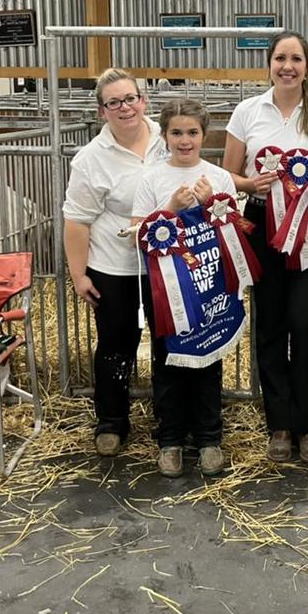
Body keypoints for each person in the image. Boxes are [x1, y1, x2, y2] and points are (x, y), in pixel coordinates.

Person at [222, 31, 308, 463]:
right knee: (271, 322)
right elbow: (228, 174)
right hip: (261, 222)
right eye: (280, 58)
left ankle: (306, 424)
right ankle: (278, 424)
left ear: (307, 66)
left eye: (295, 59)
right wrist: (249, 183)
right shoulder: (247, 112)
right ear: (269, 64)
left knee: (304, 321)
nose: (287, 66)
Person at [131, 100, 239, 478]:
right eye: (176, 132)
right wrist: (171, 208)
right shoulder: (151, 178)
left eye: (192, 132)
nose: (184, 140)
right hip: (165, 291)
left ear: (204, 135)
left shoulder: (219, 177)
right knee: (168, 360)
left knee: (209, 358)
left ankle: (209, 438)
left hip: (208, 284)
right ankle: (170, 440)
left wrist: (212, 205)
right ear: (164, 135)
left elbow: (235, 232)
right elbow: (136, 233)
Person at [63, 69, 167, 457]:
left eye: (130, 98)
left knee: (168, 342)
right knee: (115, 344)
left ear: (143, 100)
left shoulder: (166, 139)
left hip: (165, 264)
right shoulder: (91, 159)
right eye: (114, 102)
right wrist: (79, 275)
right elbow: (77, 221)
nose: (125, 108)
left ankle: (169, 421)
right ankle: (111, 421)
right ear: (101, 111)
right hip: (114, 266)